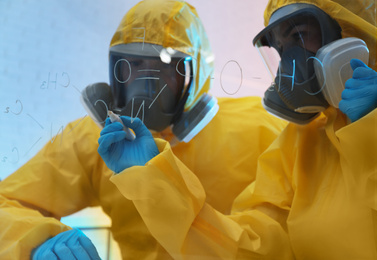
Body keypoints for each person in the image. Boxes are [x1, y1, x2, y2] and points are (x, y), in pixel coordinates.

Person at [96, 0, 377, 259]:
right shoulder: (300, 144)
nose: (289, 63)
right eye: (282, 47)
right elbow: (250, 250)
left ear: (352, 33)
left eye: (299, 36)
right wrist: (152, 177)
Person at [0, 0, 286, 259]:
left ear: (195, 74)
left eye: (164, 67)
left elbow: (280, 242)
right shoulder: (97, 139)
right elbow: (6, 204)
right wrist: (36, 241)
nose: (145, 83)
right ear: (115, 71)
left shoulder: (261, 130)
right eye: (133, 64)